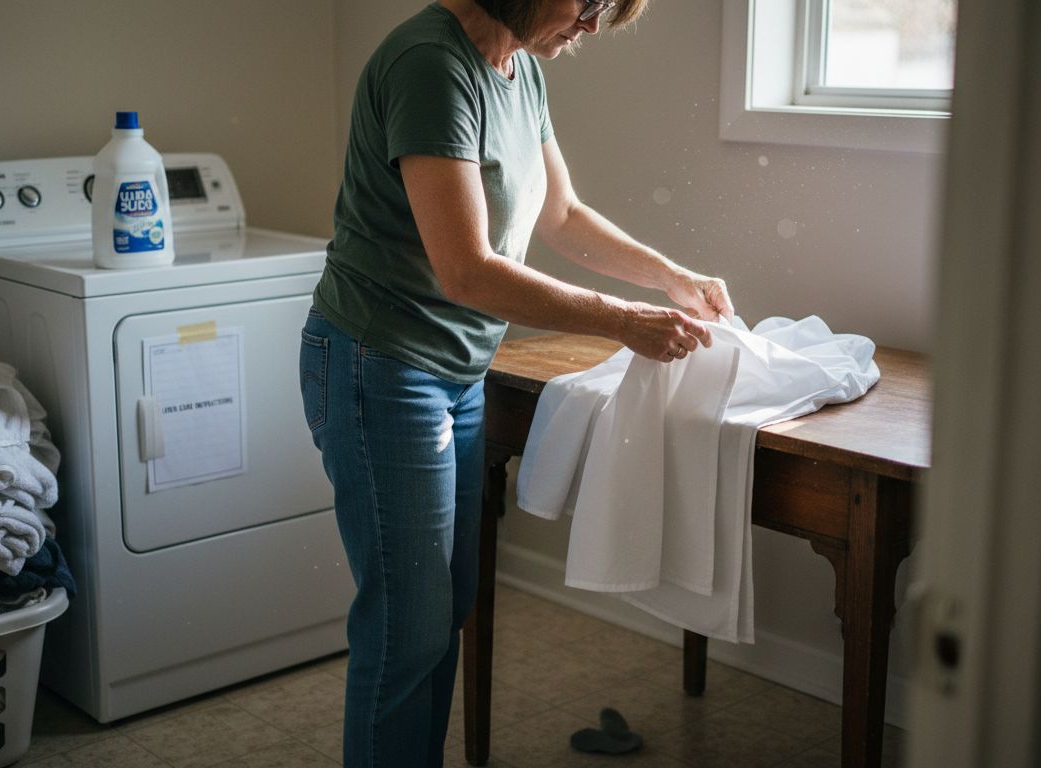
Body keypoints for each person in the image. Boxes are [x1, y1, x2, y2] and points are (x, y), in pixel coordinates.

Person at [299, 0, 735, 765]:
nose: (594, 26)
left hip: (456, 372)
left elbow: (560, 213)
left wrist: (671, 277)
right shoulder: (430, 66)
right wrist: (622, 321)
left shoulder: (521, 69)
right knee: (408, 627)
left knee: (446, 605)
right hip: (382, 365)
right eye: (591, 2)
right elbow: (466, 269)